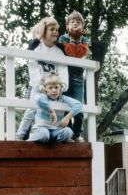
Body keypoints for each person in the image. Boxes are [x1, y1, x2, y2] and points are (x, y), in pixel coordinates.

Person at [17, 17, 69, 140]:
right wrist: (40, 87)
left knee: (58, 109)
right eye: (52, 29)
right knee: (32, 109)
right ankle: (20, 134)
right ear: (44, 31)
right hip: (39, 87)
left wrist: (62, 86)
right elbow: (33, 71)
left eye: (57, 29)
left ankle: (57, 132)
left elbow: (63, 71)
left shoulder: (58, 52)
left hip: (54, 87)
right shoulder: (36, 50)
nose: (56, 32)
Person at [59, 10, 89, 142]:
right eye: (72, 22)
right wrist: (71, 39)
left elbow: (80, 55)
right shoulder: (63, 38)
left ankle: (77, 133)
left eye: (78, 23)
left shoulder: (85, 40)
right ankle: (69, 132)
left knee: (79, 107)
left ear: (83, 27)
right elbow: (69, 53)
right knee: (66, 107)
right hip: (66, 77)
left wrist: (77, 39)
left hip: (78, 79)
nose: (75, 24)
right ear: (67, 26)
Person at [28, 73, 82, 143]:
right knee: (44, 135)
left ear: (60, 89)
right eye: (50, 88)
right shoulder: (43, 96)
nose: (54, 90)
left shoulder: (62, 98)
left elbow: (78, 104)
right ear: (46, 89)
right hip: (42, 128)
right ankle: (32, 139)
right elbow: (39, 99)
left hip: (56, 130)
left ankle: (52, 141)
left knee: (68, 131)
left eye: (56, 87)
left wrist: (67, 117)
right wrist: (51, 111)